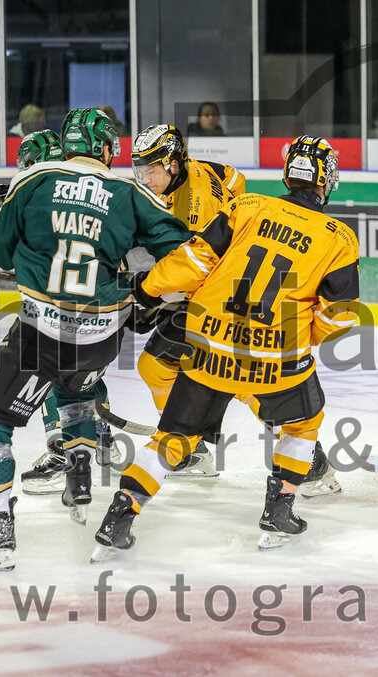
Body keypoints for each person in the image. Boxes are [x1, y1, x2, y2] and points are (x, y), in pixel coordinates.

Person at [0, 108, 191, 570]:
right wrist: (146, 293)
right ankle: (78, 472)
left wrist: (14, 217)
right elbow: (186, 256)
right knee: (75, 390)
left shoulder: (34, 180)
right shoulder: (131, 192)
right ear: (104, 149)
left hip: (44, 332)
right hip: (102, 337)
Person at [91, 136, 360, 560]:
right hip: (276, 357)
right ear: (328, 180)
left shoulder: (249, 206)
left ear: (288, 173)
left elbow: (195, 260)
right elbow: (341, 314)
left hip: (208, 341)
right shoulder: (339, 238)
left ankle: (120, 515)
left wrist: (147, 290)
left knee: (172, 437)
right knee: (305, 424)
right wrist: (308, 335)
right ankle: (279, 510)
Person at [13, 129, 123, 496]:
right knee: (83, 376)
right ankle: (100, 433)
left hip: (73, 311)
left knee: (51, 376)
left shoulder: (49, 196)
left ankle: (64, 453)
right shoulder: (87, 188)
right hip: (108, 314)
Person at [130, 123, 244, 476]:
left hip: (223, 300)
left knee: (242, 380)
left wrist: (155, 300)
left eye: (151, 170)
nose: (146, 178)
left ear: (173, 164)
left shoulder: (193, 206)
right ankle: (190, 446)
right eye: (141, 170)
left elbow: (193, 269)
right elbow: (235, 178)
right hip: (217, 290)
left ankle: (310, 458)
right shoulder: (198, 170)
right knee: (156, 366)